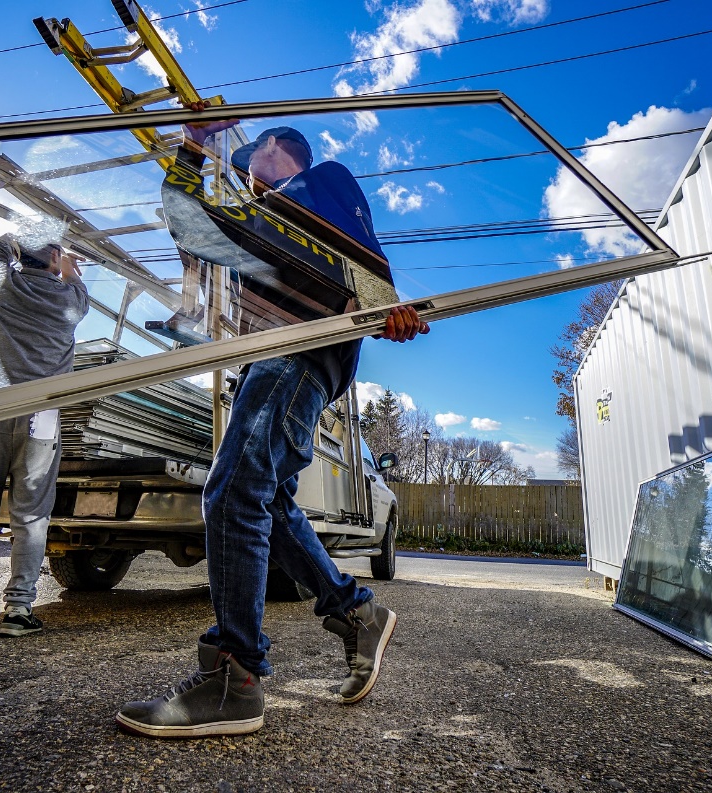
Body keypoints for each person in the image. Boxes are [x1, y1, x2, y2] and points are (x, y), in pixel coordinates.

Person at [116, 118, 429, 738]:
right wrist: (192, 148)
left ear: (277, 151)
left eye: (249, 153)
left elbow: (360, 251)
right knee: (268, 500)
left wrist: (382, 305)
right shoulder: (256, 226)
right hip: (272, 362)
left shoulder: (317, 185)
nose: (240, 167)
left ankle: (237, 676)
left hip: (299, 356)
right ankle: (353, 611)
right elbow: (186, 222)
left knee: (232, 492)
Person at [0, 234, 89, 637]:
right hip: (40, 418)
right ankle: (18, 609)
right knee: (31, 517)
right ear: (52, 257)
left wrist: (19, 240)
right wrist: (65, 267)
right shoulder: (70, 300)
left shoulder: (1, 285)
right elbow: (76, 285)